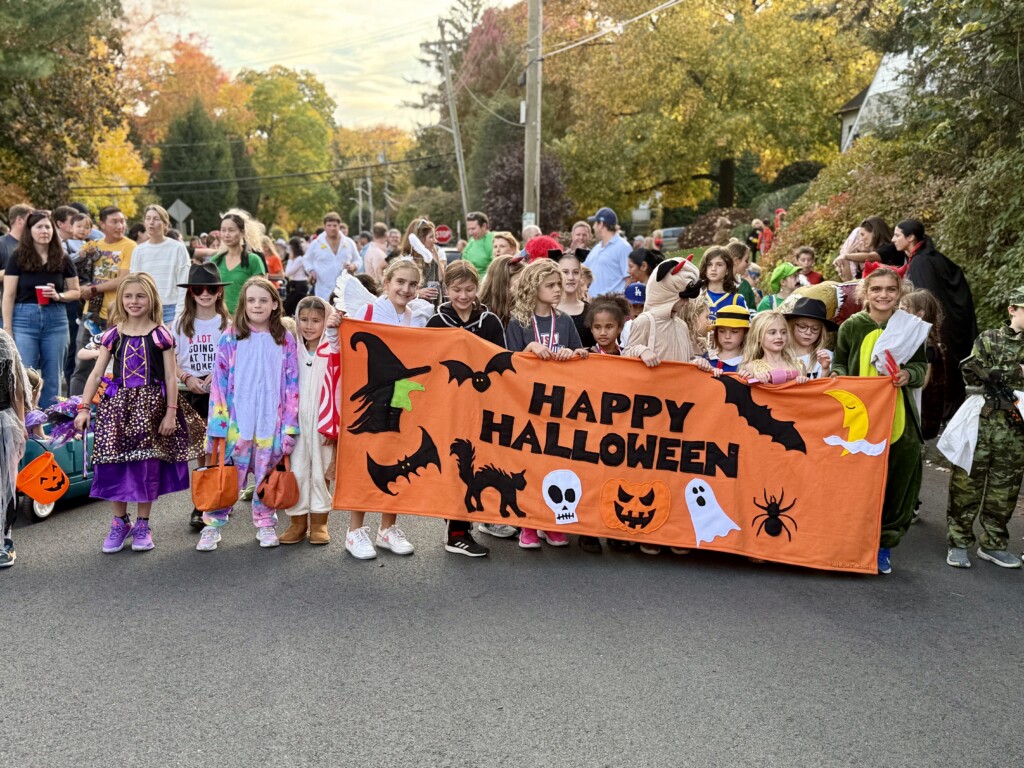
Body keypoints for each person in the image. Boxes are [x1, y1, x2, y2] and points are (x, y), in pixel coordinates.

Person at [73, 274, 205, 553]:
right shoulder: (113, 335)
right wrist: (83, 408)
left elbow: (171, 378)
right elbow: (97, 374)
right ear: (121, 300)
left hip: (151, 407)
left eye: (140, 296)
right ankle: (120, 522)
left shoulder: (161, 335)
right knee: (112, 463)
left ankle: (144, 523)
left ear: (151, 299)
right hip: (117, 408)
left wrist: (170, 414)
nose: (134, 301)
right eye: (129, 296)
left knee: (147, 465)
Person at [832, 267, 926, 575]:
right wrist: (836, 375)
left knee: (897, 480)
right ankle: (852, 541)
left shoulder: (910, 327)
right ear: (865, 293)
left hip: (899, 415)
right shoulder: (851, 327)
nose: (883, 295)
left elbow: (921, 368)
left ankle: (884, 544)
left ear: (899, 292)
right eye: (876, 289)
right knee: (856, 480)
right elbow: (840, 361)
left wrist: (908, 374)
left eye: (890, 289)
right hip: (861, 416)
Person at [196, 277, 300, 552]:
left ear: (275, 304)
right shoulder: (230, 337)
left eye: (263, 300)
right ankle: (212, 525)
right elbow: (218, 383)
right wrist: (217, 424)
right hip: (236, 425)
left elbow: (293, 385)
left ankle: (266, 522)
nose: (257, 305)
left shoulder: (285, 340)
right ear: (243, 304)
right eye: (251, 300)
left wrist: (290, 426)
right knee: (227, 476)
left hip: (271, 424)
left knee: (267, 475)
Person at [340, 259, 426, 560]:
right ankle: (355, 530)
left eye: (412, 284)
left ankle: (388, 528)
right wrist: (333, 327)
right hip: (371, 394)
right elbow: (343, 347)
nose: (405, 288)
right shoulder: (368, 311)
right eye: (399, 282)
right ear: (386, 282)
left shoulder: (416, 317)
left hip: (401, 396)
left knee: (396, 455)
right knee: (365, 457)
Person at [427, 260, 510, 553]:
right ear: (446, 289)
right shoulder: (437, 321)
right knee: (457, 464)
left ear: (478, 288)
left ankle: (477, 519)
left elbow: (502, 361)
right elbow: (428, 364)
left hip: (483, 403)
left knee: (481, 462)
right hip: (449, 406)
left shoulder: (489, 322)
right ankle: (456, 532)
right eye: (456, 289)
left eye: (469, 289)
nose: (463, 296)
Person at [505, 260, 587, 550]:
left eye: (558, 284)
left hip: (560, 405)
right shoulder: (519, 322)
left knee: (554, 462)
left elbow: (581, 355)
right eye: (550, 285)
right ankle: (528, 522)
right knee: (529, 463)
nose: (559, 288)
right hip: (526, 404)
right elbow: (508, 363)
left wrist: (571, 353)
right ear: (533, 287)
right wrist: (528, 349)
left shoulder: (564, 321)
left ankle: (551, 523)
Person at [944, 286, 1024, 569]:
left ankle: (994, 544)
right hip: (983, 420)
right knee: (967, 482)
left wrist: (1002, 373)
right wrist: (1016, 372)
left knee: (1005, 489)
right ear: (1012, 309)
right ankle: (959, 541)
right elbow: (971, 369)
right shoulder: (989, 337)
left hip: (1016, 427)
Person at [895, 218, 977, 417]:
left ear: (911, 237)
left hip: (942, 326)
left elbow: (925, 299)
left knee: (942, 369)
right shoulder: (927, 257)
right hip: (953, 321)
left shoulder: (922, 262)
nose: (893, 239)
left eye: (897, 235)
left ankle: (945, 413)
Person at [172, 264, 231, 530]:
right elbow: (170, 360)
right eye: (198, 289)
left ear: (219, 292)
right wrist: (186, 377)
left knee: (220, 446)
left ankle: (219, 496)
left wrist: (216, 375)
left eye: (211, 289)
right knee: (200, 449)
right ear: (191, 293)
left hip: (220, 391)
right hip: (189, 389)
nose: (205, 294)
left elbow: (235, 358)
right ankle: (202, 502)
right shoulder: (180, 322)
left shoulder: (228, 324)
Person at [2, 210, 81, 406]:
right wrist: (8, 328)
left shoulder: (63, 258)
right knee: (25, 374)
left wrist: (58, 295)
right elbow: (9, 295)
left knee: (53, 375)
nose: (44, 231)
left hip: (56, 319)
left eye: (48, 226)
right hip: (23, 318)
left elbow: (76, 292)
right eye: (39, 227)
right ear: (30, 231)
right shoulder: (18, 257)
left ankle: (50, 423)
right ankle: (28, 422)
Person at [278, 296, 336, 547]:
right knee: (297, 469)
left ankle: (320, 522)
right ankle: (297, 523)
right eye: (303, 319)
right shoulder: (291, 349)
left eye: (316, 320)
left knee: (321, 470)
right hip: (295, 421)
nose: (309, 326)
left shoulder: (333, 349)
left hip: (323, 420)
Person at [70, 206, 135, 395]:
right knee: (82, 365)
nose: (120, 225)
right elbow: (71, 266)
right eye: (114, 221)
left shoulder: (129, 246)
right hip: (91, 315)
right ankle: (74, 409)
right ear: (102, 224)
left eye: (122, 221)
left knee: (115, 366)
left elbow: (124, 278)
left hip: (118, 316)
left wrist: (94, 288)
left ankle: (105, 409)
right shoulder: (93, 246)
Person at [900, 289, 948, 440]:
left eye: (903, 310)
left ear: (919, 314)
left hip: (921, 418)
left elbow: (922, 384)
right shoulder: (916, 341)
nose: (897, 314)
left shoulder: (926, 345)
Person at [129, 205, 189, 325]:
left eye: (156, 219)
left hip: (172, 309)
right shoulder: (138, 251)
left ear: (165, 224)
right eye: (148, 218)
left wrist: (178, 316)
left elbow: (184, 284)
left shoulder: (177, 248)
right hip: (146, 309)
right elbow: (134, 283)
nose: (151, 222)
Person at [0, 329, 27, 567]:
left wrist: (21, 423)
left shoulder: (1, 340)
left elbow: (16, 386)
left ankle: (5, 540)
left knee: (6, 483)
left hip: (3, 421)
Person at [208, 211, 266, 314]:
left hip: (246, 319)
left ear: (242, 233)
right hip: (220, 319)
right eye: (223, 230)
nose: (226, 234)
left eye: (231, 230)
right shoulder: (215, 261)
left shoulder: (253, 260)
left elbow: (262, 293)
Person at [738, 311, 809, 384]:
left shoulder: (799, 365)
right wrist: (750, 380)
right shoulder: (751, 367)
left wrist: (803, 383)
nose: (779, 336)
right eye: (772, 332)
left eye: (783, 332)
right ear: (758, 337)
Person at [305, 212, 360, 301]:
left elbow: (358, 260)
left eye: (335, 225)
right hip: (323, 289)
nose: (332, 228)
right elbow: (306, 259)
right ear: (324, 226)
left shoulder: (349, 242)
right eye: (329, 225)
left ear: (339, 226)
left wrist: (354, 266)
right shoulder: (316, 243)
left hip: (344, 290)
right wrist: (311, 271)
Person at [398, 218, 445, 309]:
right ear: (420, 240)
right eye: (431, 237)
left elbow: (441, 278)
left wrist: (436, 256)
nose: (435, 241)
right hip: (411, 313)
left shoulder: (429, 260)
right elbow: (394, 292)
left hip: (431, 310)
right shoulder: (405, 262)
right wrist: (417, 293)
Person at [783, 297, 836, 379]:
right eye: (802, 326)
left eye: (815, 329)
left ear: (821, 331)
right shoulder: (779, 355)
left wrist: (825, 370)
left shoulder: (827, 357)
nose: (808, 332)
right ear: (791, 326)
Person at [834, 216, 904, 277]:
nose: (861, 239)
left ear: (874, 232)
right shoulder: (877, 251)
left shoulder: (890, 248)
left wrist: (846, 256)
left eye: (863, 234)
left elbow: (870, 256)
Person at [555, 249, 596, 348]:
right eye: (565, 272)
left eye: (576, 272)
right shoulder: (545, 311)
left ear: (581, 276)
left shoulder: (591, 312)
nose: (571, 277)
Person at [586, 208, 631, 295]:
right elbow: (584, 269)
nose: (593, 227)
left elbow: (629, 279)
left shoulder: (623, 247)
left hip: (612, 305)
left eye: (595, 223)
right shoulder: (597, 248)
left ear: (601, 224)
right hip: (594, 304)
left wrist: (621, 302)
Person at [693, 305, 749, 374]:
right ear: (716, 332)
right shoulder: (707, 357)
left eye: (734, 332)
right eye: (722, 331)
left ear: (745, 333)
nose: (727, 336)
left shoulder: (748, 363)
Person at [699, 246, 747, 322]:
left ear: (727, 270)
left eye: (719, 265)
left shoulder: (737, 300)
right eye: (709, 264)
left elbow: (744, 330)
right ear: (705, 269)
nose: (713, 269)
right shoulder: (697, 297)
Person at [479, 254, 526, 327]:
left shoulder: (524, 309)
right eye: (520, 279)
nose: (525, 284)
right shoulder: (483, 314)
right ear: (503, 282)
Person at [725, 240, 758, 308]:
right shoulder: (717, 284)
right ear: (736, 261)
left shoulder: (745, 285)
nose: (748, 264)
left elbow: (751, 311)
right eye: (746, 260)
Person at [0, 205, 31, 279]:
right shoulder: (1, 244)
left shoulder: (35, 245)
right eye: (30, 220)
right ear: (19, 220)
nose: (33, 223)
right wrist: (18, 269)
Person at [283, 237, 308, 317]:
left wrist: (290, 260)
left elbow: (288, 273)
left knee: (290, 307)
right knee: (288, 307)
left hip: (300, 285)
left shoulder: (300, 259)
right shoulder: (297, 259)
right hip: (294, 283)